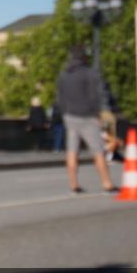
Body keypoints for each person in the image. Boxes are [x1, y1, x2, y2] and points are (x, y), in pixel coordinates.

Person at [55, 45, 117, 194]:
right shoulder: (91, 74)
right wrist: (100, 113)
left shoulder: (63, 75)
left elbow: (60, 98)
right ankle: (107, 183)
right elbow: (100, 95)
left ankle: (73, 184)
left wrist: (66, 112)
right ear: (84, 57)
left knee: (72, 151)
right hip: (89, 117)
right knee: (98, 151)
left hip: (70, 116)